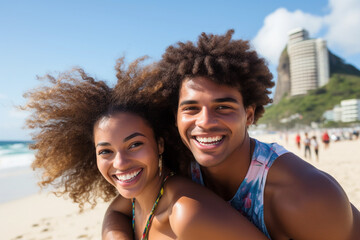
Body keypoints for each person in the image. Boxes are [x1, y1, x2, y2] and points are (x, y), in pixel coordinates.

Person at [103, 30, 360, 240]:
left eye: (223, 107)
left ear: (248, 116)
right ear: (176, 117)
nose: (205, 122)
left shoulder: (306, 194)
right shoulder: (180, 165)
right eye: (191, 108)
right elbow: (119, 210)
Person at [23, 61, 267, 240]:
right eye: (105, 151)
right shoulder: (136, 200)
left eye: (134, 145)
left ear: (159, 144)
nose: (120, 163)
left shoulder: (185, 213)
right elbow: (114, 213)